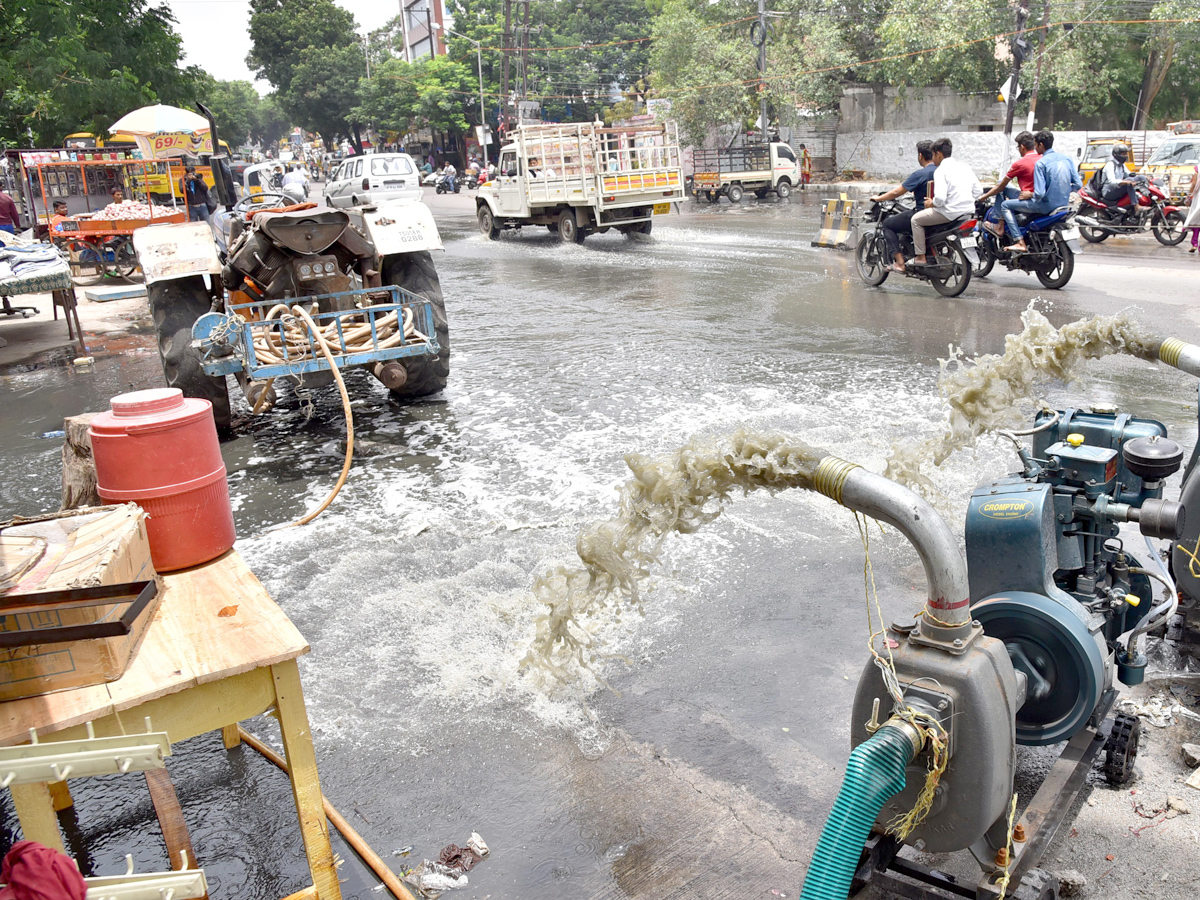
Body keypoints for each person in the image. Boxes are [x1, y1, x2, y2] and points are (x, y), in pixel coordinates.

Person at [995, 129, 1081, 253]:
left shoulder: (1041, 163)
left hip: (1045, 206)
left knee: (1005, 205)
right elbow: (1078, 184)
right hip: (1063, 204)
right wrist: (1062, 192)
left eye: (1035, 145)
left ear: (1041, 145)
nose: (1035, 148)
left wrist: (1030, 194)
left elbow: (1039, 194)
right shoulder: (1066, 159)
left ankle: (1019, 241)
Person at [908, 136, 982, 270]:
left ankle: (920, 257)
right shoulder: (965, 167)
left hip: (949, 213)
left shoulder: (941, 170)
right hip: (968, 212)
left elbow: (940, 199)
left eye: (933, 155)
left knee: (915, 220)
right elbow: (978, 191)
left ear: (939, 154)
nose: (932, 158)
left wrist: (931, 203)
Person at [869, 140, 936, 272]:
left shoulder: (920, 174)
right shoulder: (942, 171)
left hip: (923, 213)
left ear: (920, 156)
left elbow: (896, 192)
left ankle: (900, 263)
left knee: (888, 224)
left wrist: (879, 198)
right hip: (941, 213)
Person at [979, 131, 1040, 216]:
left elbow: (1000, 187)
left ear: (1022, 147)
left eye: (1018, 147)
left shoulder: (1020, 163)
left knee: (1001, 184)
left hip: (1028, 200)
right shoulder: (1042, 159)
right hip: (1040, 199)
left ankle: (999, 222)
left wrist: (983, 197)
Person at [1096, 144, 1138, 220]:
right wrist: (1127, 182)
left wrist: (1142, 177)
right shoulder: (1110, 165)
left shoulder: (1122, 165)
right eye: (1123, 154)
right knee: (1129, 183)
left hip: (1116, 189)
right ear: (1116, 154)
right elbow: (1112, 181)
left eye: (1126, 154)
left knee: (1139, 178)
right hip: (1108, 192)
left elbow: (1129, 175)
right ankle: (1136, 206)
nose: (1125, 156)